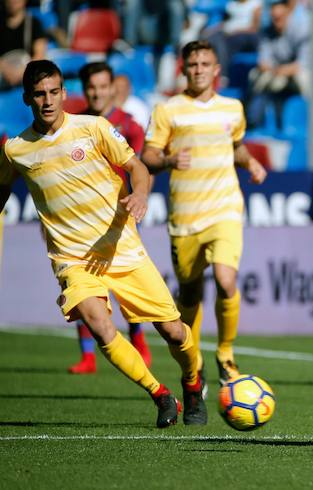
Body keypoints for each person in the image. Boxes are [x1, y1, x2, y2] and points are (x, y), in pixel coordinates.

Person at [0, 60, 207, 427]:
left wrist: (140, 195)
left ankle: (192, 382)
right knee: (98, 324)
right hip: (72, 259)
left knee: (174, 331)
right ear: (27, 98)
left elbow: (137, 168)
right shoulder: (17, 150)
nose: (48, 101)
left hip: (120, 248)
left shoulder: (93, 128)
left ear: (64, 94)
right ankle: (161, 396)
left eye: (53, 92)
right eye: (39, 94)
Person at [142, 40, 268, 387]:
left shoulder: (232, 108)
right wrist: (167, 160)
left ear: (216, 70)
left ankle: (226, 353)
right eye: (192, 64)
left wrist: (251, 161)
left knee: (227, 281)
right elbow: (148, 156)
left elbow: (236, 147)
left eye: (204, 64)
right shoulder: (168, 110)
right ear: (184, 69)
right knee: (190, 294)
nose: (198, 69)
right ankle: (193, 364)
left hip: (225, 208)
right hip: (185, 218)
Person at [66, 61, 153, 375]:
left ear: (112, 88)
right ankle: (87, 356)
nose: (97, 92)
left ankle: (139, 340)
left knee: (128, 287)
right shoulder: (72, 124)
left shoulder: (128, 124)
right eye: (92, 87)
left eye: (103, 86)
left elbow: (142, 168)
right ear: (85, 89)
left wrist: (140, 198)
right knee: (83, 289)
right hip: (80, 220)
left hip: (119, 218)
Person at [247, 0, 309, 129]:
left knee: (304, 78)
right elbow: (263, 62)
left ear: (287, 13)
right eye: (274, 18)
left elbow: (303, 63)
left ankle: (309, 118)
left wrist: (282, 70)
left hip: (294, 72)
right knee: (255, 76)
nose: (276, 20)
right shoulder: (267, 31)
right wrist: (276, 70)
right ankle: (254, 119)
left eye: (280, 17)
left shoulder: (300, 29)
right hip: (277, 72)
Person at [0, 0, 48, 89]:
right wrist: (5, 70)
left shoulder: (34, 24)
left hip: (27, 76)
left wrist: (22, 72)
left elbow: (40, 55)